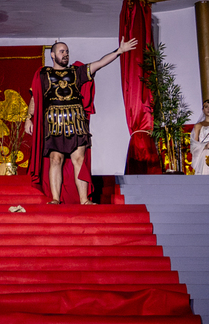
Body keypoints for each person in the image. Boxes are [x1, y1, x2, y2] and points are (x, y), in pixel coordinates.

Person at [26, 39, 137, 205]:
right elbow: (35, 97)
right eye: (62, 51)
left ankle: (84, 200)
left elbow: (99, 63)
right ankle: (55, 199)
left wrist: (119, 51)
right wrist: (29, 118)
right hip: (54, 122)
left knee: (79, 160)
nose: (65, 54)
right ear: (53, 55)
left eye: (67, 51)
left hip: (76, 122)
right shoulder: (44, 74)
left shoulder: (77, 72)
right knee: (55, 159)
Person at [186, 100, 209, 175]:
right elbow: (193, 144)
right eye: (206, 107)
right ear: (203, 110)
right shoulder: (198, 126)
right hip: (204, 154)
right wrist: (205, 146)